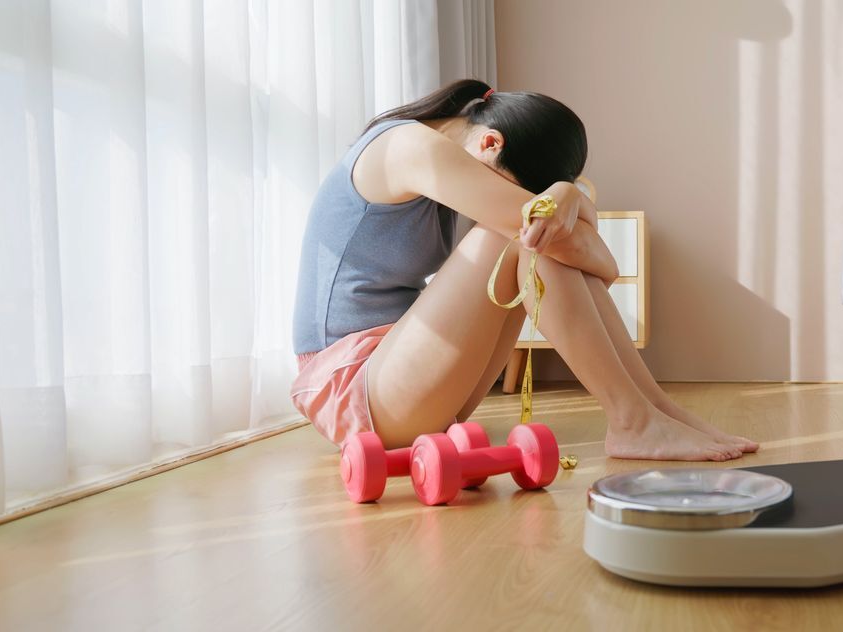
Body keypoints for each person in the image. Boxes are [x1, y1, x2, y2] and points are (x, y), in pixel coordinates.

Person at [290, 79, 757, 461]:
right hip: (350, 388)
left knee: (531, 232)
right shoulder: (410, 148)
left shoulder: (439, 151)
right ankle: (634, 420)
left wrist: (570, 196)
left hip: (399, 378)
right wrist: (565, 202)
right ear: (490, 143)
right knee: (524, 235)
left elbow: (590, 255)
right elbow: (601, 262)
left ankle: (653, 408)